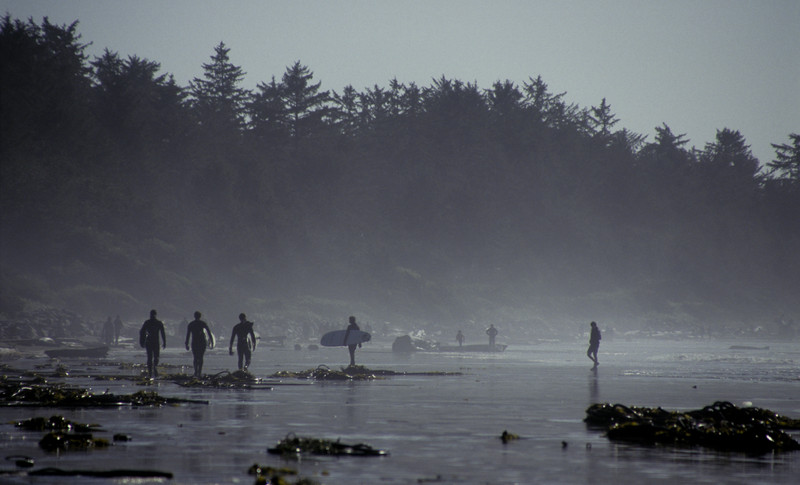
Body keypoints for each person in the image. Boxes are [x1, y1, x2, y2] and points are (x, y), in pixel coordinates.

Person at [185, 311, 214, 378]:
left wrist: (186, 343)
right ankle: (199, 372)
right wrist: (211, 342)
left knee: (195, 357)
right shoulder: (203, 323)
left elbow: (188, 335)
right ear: (200, 316)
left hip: (194, 342)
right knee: (200, 357)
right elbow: (209, 333)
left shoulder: (191, 324)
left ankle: (196, 371)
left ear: (194, 316)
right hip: (202, 342)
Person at [139, 309, 166, 378]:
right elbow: (142, 332)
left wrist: (164, 342)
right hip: (150, 342)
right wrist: (142, 341)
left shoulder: (158, 323)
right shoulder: (148, 322)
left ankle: (154, 368)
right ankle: (150, 371)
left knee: (155, 357)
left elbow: (162, 333)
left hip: (154, 342)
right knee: (150, 357)